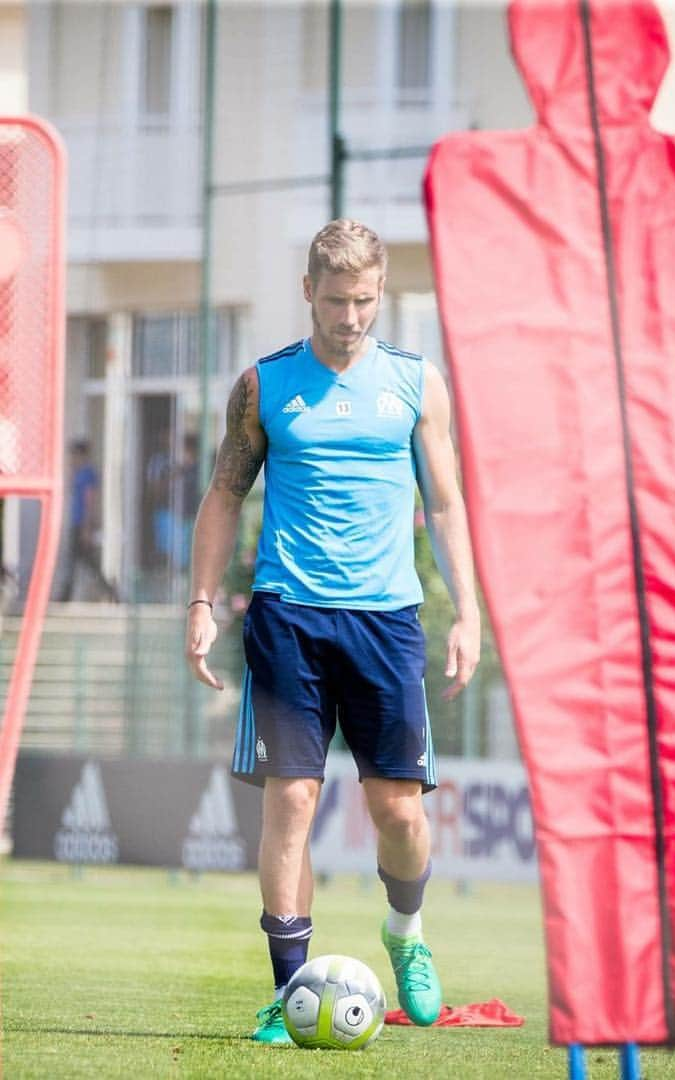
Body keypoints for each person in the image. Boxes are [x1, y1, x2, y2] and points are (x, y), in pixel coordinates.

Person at [184, 220, 481, 1045]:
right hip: (288, 618)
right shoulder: (263, 386)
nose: (351, 316)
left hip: (387, 623)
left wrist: (469, 612)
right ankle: (290, 995)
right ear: (308, 291)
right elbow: (222, 496)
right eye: (337, 299)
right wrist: (202, 602)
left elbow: (449, 504)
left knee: (400, 815)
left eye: (366, 300)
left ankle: (407, 934)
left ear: (380, 293)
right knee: (294, 801)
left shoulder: (418, 383)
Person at [59, 438, 116, 602]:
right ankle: (110, 590)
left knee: (80, 562)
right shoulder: (78, 473)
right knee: (84, 562)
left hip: (82, 525)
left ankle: (65, 596)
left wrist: (86, 527)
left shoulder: (87, 474)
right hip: (77, 523)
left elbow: (89, 500)